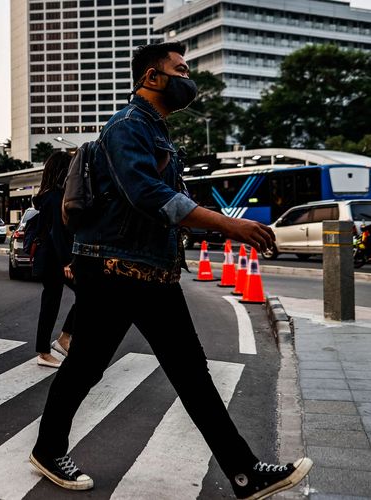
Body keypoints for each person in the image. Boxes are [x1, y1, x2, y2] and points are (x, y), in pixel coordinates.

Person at [29, 42, 313, 499]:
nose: (188, 78)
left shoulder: (158, 133)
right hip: (112, 267)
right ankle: (48, 450)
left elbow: (169, 209)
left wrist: (204, 233)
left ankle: (244, 474)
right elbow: (149, 196)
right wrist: (230, 225)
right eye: (180, 70)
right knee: (87, 366)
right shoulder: (126, 127)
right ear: (152, 78)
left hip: (150, 272)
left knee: (188, 372)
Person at [31, 151, 75, 368]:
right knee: (86, 295)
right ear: (62, 171)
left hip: (52, 256)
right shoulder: (54, 197)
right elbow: (56, 232)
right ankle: (51, 347)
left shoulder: (50, 195)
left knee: (51, 302)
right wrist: (67, 262)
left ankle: (60, 341)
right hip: (54, 258)